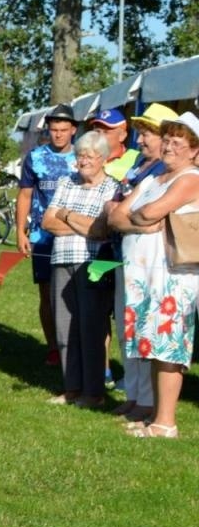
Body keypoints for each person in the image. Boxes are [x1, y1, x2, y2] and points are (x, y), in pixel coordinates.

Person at [124, 114, 199, 439]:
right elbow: (119, 215)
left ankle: (165, 423)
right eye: (166, 140)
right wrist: (138, 218)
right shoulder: (156, 178)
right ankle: (157, 415)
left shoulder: (190, 178)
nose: (167, 146)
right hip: (148, 275)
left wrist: (140, 215)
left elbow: (149, 212)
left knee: (170, 347)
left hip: (174, 275)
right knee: (154, 344)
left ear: (194, 151)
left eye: (177, 143)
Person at [40, 130, 120, 408]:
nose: (83, 161)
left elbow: (100, 230)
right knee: (64, 327)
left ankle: (93, 391)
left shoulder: (111, 188)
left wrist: (66, 214)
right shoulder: (66, 182)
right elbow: (47, 222)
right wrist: (79, 223)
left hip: (93, 262)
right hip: (61, 259)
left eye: (90, 156)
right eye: (80, 155)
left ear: (103, 159)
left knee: (91, 325)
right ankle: (71, 387)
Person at [105, 105, 175, 424]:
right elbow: (115, 215)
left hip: (152, 260)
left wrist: (124, 216)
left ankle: (147, 399)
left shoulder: (162, 171)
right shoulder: (138, 168)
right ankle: (133, 393)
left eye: (148, 133)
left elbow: (145, 217)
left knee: (145, 326)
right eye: (141, 132)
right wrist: (126, 218)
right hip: (126, 255)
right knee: (126, 326)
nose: (141, 139)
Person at [17, 105, 78, 365]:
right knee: (47, 293)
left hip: (75, 235)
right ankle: (53, 346)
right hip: (42, 236)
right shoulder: (35, 157)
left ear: (74, 130)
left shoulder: (83, 157)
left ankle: (76, 344)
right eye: (54, 130)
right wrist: (21, 230)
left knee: (76, 292)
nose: (58, 135)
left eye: (63, 130)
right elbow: (25, 194)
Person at [89, 109, 139, 181]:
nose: (100, 136)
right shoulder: (85, 158)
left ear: (122, 136)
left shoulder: (137, 158)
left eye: (106, 132)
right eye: (97, 131)